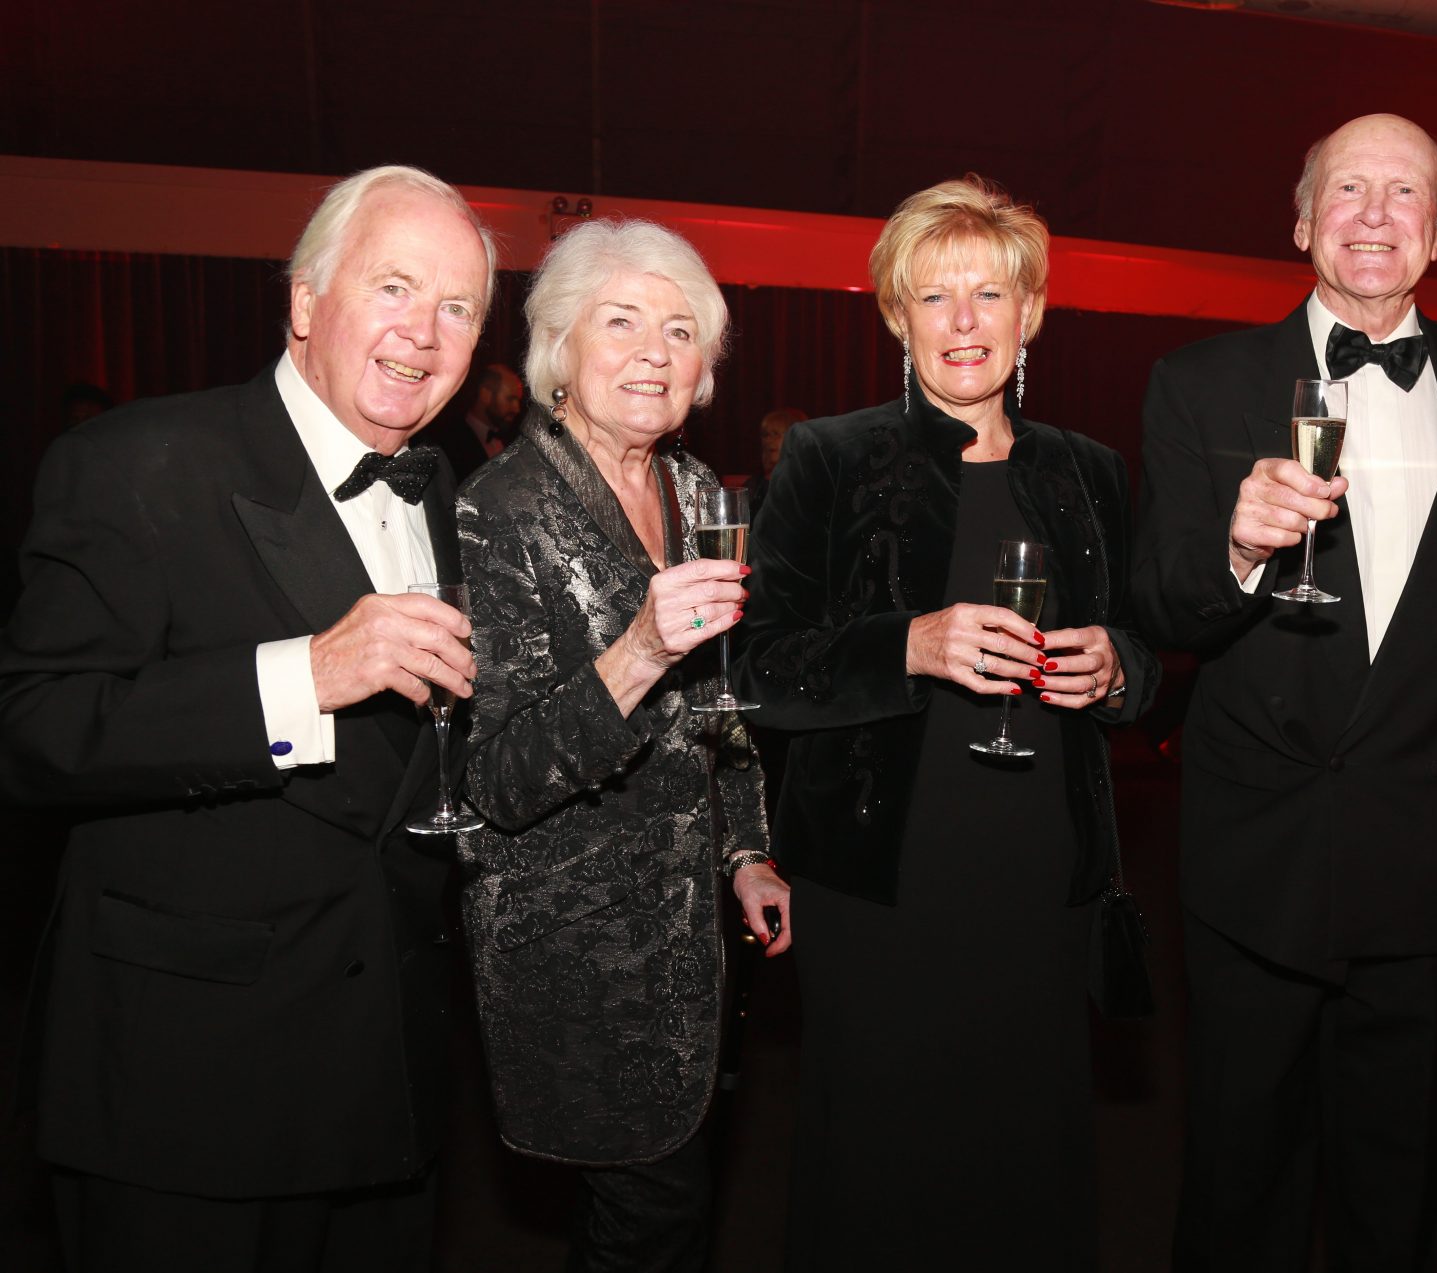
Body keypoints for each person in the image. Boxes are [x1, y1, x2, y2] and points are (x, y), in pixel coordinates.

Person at [0, 165, 494, 1270]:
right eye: (396, 287)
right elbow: (33, 729)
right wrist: (296, 678)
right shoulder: (135, 462)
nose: (425, 332)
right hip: (188, 1097)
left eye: (458, 307)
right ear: (306, 302)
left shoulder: (448, 495)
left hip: (389, 1090)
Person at [732, 175, 1159, 1270]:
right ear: (895, 316)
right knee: (878, 1164)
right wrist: (907, 645)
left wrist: (1118, 670)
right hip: (882, 882)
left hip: (1038, 876)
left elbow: (1150, 658)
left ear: (1033, 313)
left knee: (1024, 1161)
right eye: (934, 297)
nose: (963, 322)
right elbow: (757, 665)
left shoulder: (1090, 472)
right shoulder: (829, 458)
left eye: (990, 294)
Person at [1131, 113, 1437, 1271]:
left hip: (1429, 856)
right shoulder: (1201, 383)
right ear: (1303, 222)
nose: (1377, 215)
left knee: (1398, 1196)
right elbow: (1160, 607)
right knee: (1239, 1182)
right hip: (1258, 862)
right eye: (1350, 190)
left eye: (1407, 195)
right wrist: (1238, 551)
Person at [455, 218, 788, 1273]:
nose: (656, 349)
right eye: (624, 321)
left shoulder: (698, 494)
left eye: (682, 330)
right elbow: (495, 779)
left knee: (669, 1214)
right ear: (560, 347)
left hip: (690, 935)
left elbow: (721, 700)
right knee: (646, 1224)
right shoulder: (499, 510)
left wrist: (746, 847)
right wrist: (639, 647)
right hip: (577, 944)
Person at [418, 361, 523, 481]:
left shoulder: (513, 440)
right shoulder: (449, 440)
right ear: (485, 395)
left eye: (518, 401)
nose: (517, 408)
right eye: (510, 399)